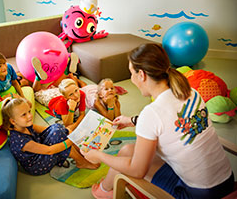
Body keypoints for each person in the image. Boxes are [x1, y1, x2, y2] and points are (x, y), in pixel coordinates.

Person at [81, 43, 234, 199]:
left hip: (196, 194)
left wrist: (98, 156)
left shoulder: (152, 113)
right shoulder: (190, 92)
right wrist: (131, 120)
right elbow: (170, 118)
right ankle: (107, 188)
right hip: (225, 181)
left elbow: (137, 170)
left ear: (141, 75)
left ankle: (105, 191)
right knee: (127, 150)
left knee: (128, 159)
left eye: (131, 73)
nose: (132, 79)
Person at [1, 97, 99, 175]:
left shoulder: (24, 125)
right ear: (13, 121)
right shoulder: (20, 141)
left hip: (42, 149)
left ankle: (81, 154)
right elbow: (49, 150)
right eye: (24, 115)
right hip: (37, 165)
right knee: (61, 141)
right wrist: (70, 140)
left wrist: (66, 131)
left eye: (29, 112)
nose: (30, 116)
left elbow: (46, 130)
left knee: (57, 128)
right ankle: (81, 161)